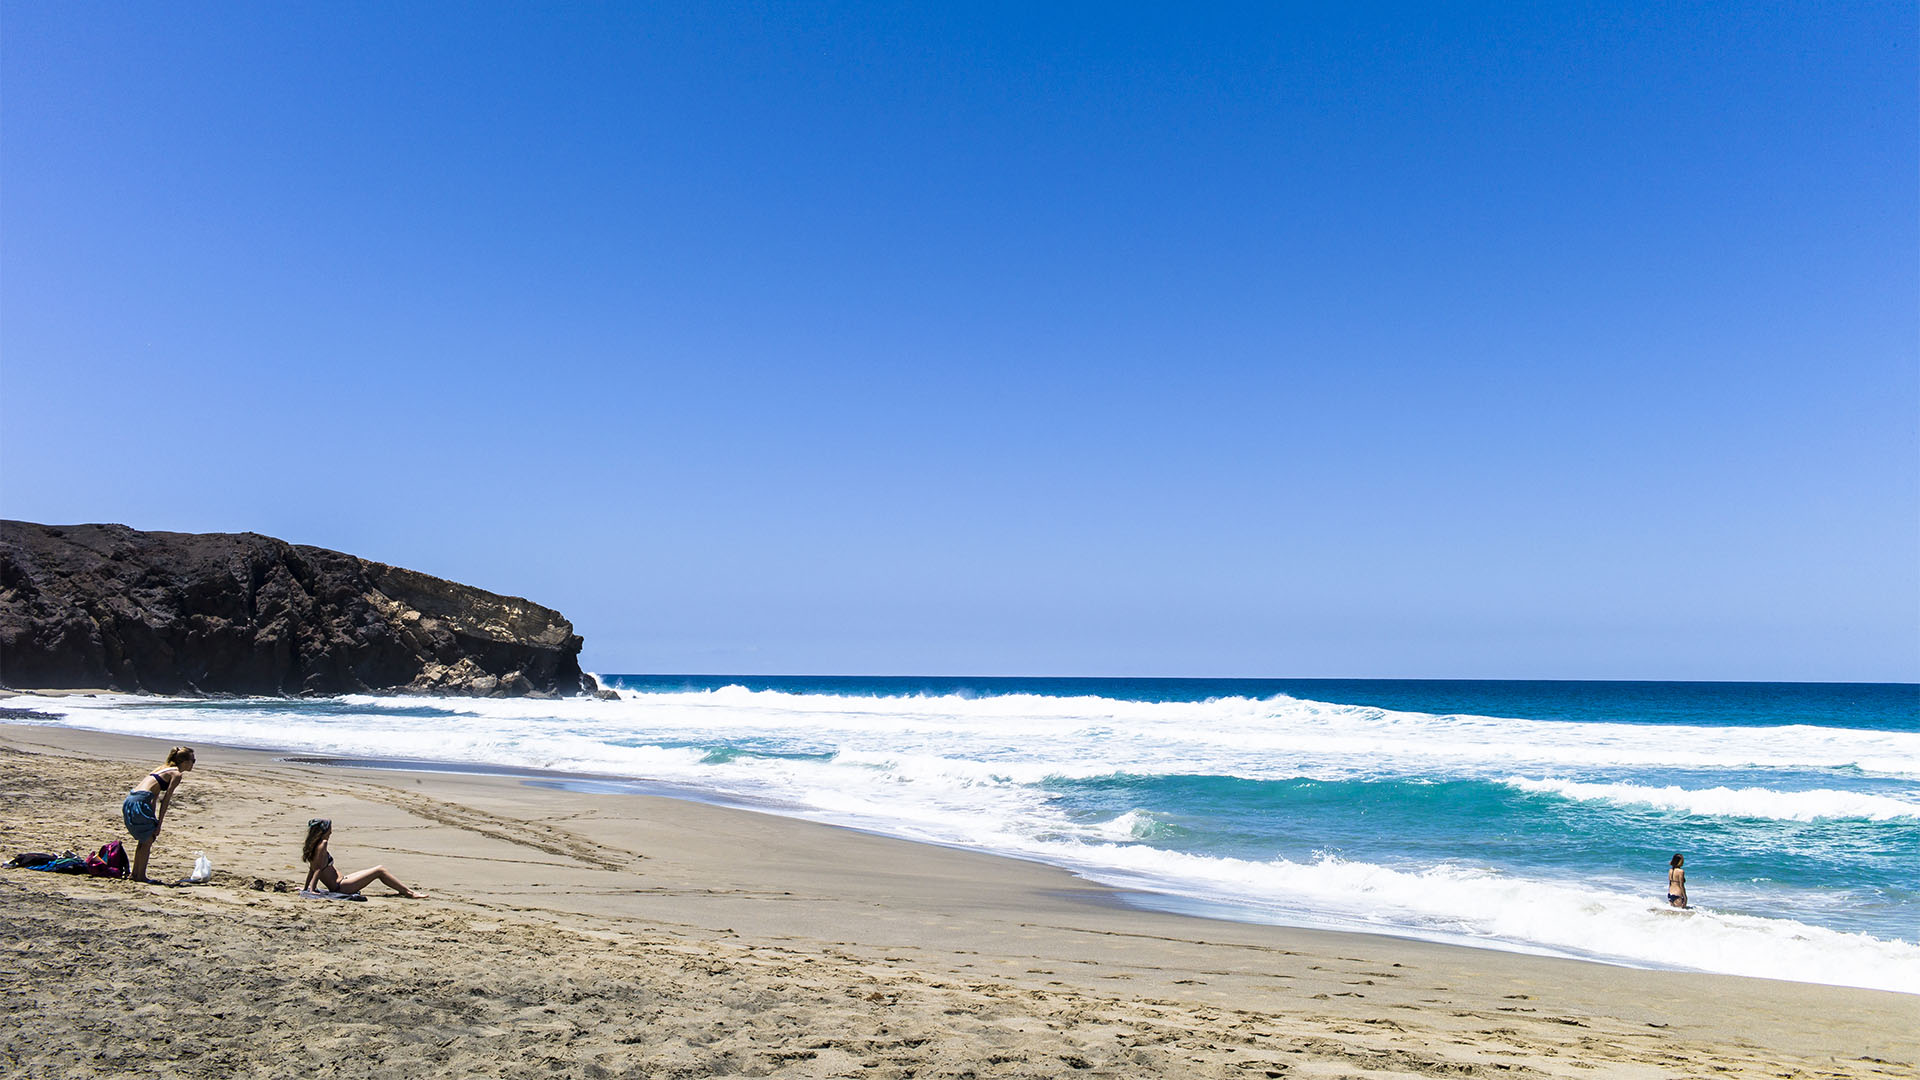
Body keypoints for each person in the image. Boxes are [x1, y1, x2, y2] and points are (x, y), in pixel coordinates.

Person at [302, 819, 427, 898]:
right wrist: (311, 890)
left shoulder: (314, 846)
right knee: (380, 870)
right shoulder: (323, 844)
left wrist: (306, 888)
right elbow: (317, 869)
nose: (331, 831)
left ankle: (405, 891)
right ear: (325, 831)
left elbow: (312, 869)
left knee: (377, 870)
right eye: (330, 828)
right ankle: (410, 893)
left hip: (342, 882)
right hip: (341, 887)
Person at [123, 746, 194, 883]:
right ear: (184, 762)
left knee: (145, 839)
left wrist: (153, 819)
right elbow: (165, 800)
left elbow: (154, 796)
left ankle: (135, 874)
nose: (193, 764)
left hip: (131, 799)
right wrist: (159, 824)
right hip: (140, 801)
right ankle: (141, 876)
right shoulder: (176, 774)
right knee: (148, 840)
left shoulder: (163, 768)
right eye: (193, 760)